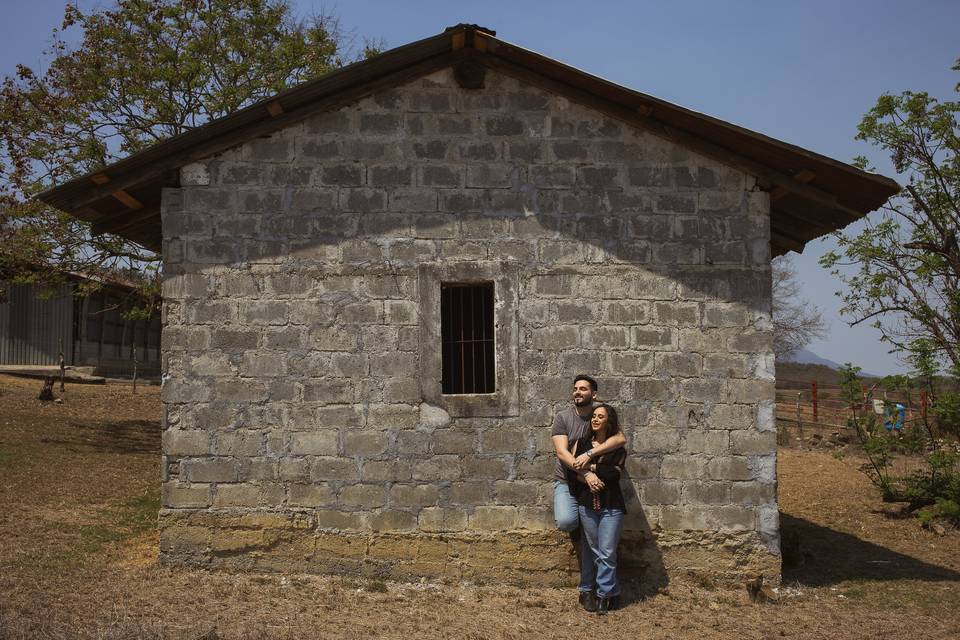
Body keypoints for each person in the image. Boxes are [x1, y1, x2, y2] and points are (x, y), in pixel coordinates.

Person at [568, 403, 627, 614]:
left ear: (608, 421)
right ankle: (609, 591)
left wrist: (591, 466)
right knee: (594, 551)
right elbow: (574, 471)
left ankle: (604, 595)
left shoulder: (617, 449)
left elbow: (613, 474)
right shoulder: (581, 443)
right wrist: (588, 477)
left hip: (612, 506)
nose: (595, 419)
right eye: (594, 416)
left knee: (607, 552)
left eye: (600, 416)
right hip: (587, 506)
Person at [551, 375, 626, 540]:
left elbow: (621, 439)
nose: (577, 392)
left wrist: (589, 454)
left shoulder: (598, 415)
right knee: (566, 522)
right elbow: (562, 452)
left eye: (583, 389)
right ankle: (580, 525)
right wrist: (586, 473)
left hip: (595, 481)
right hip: (567, 478)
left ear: (594, 395)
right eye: (575, 389)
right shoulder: (563, 418)